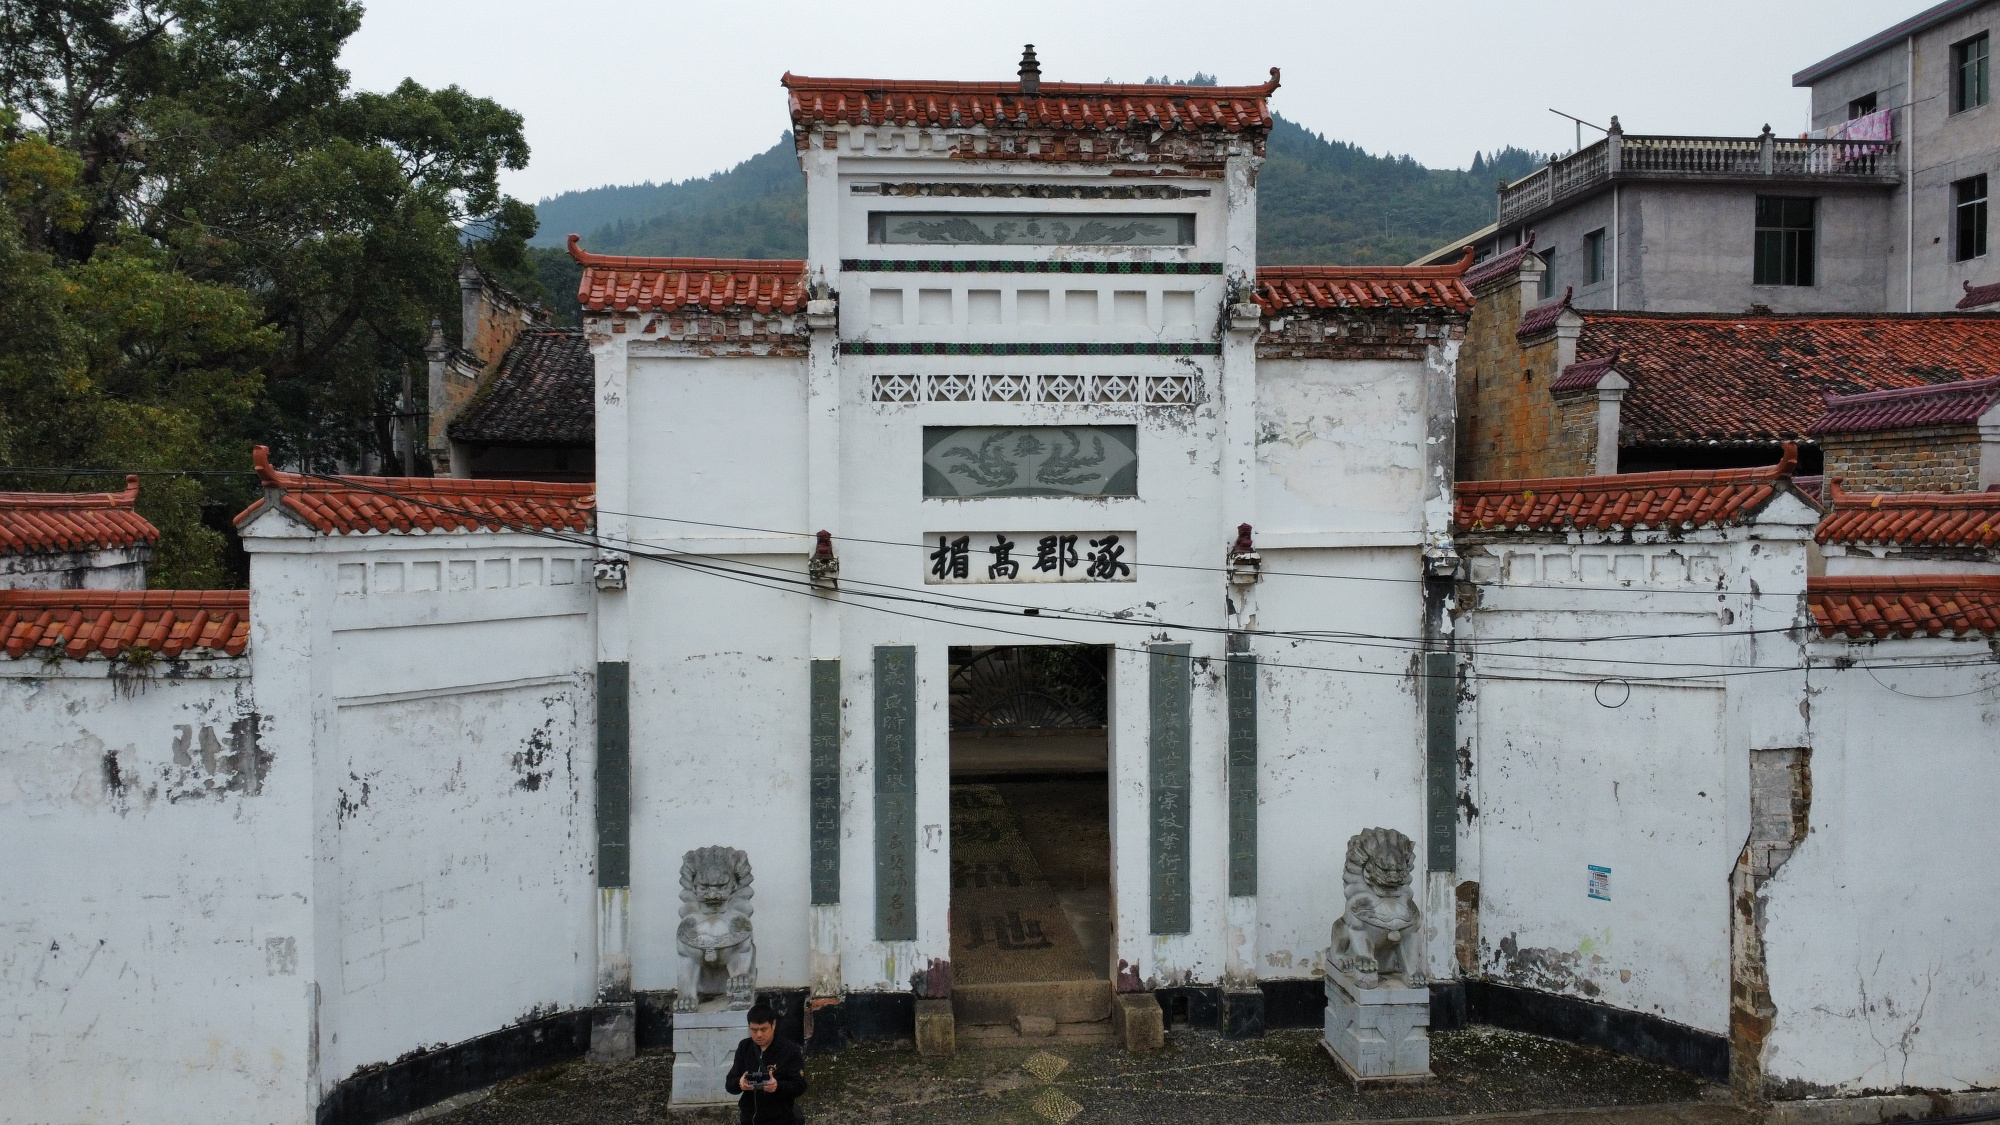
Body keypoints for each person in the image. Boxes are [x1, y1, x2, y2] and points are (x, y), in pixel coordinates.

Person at [724, 1002, 807, 1124]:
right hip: (749, 1118)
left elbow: (800, 1086)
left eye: (763, 1029)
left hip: (779, 1119)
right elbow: (730, 1083)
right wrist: (740, 1083)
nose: (758, 1035)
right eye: (754, 1030)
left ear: (773, 1025)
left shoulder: (789, 1050)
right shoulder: (744, 1047)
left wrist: (777, 1086)